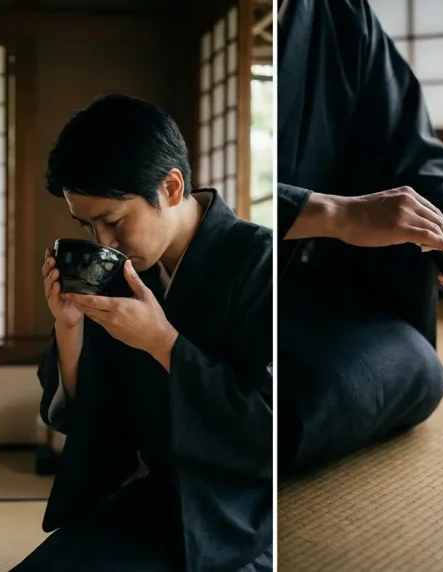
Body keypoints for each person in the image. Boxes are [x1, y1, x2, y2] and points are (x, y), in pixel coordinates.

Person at [14, 94, 272, 572]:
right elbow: (95, 418)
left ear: (171, 187)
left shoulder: (259, 260)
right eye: (88, 226)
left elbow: (272, 425)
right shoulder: (125, 271)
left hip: (239, 511)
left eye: (112, 222)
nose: (103, 244)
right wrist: (68, 330)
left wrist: (163, 343)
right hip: (155, 500)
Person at [277, 0, 443, 473]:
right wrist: (331, 212)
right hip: (245, 280)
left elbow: (407, 144)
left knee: (418, 372)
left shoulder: (341, 13)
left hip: (316, 278)